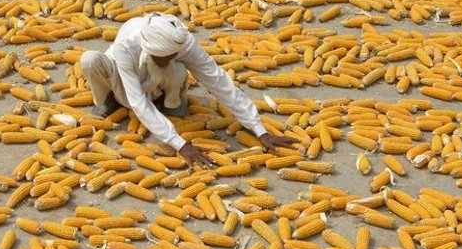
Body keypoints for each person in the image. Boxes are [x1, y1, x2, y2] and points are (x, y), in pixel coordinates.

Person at [79, 12, 298, 167]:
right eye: (162, 57)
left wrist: (259, 128)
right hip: (124, 80)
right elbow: (138, 102)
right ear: (149, 49)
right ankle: (108, 100)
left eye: (171, 56)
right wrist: (180, 145)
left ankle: (171, 102)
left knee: (177, 70)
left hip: (160, 84)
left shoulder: (182, 41)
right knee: (90, 60)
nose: (167, 59)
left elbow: (216, 79)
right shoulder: (127, 45)